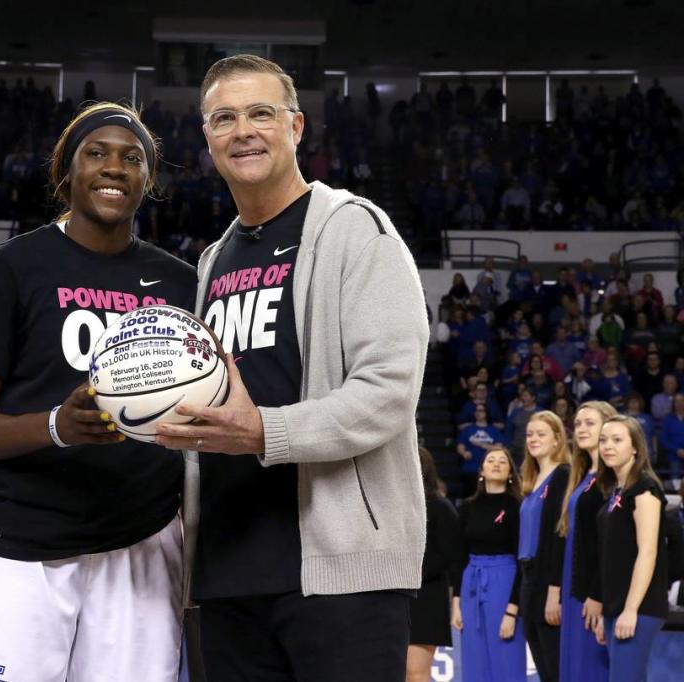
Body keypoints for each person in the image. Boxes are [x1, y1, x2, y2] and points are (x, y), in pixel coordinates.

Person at [155, 54, 429, 681]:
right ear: (207, 139)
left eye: (260, 113)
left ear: (297, 127)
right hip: (226, 572)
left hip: (341, 577)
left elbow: (387, 392)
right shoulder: (213, 261)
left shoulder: (357, 231)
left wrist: (263, 433)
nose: (242, 130)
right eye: (224, 118)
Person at [0, 102, 196, 682]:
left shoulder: (181, 283)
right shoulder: (9, 268)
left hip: (143, 543)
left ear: (147, 180)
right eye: (96, 153)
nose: (115, 168)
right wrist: (58, 425)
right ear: (67, 172)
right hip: (24, 540)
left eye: (132, 159)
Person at [595, 415, 669, 681]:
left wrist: (630, 610)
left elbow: (647, 552)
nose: (608, 446)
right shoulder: (615, 491)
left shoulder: (644, 488)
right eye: (603, 440)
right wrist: (608, 612)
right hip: (617, 606)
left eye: (617, 440)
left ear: (635, 447)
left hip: (639, 607)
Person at [452, 446, 526, 682]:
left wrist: (512, 611)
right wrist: (456, 603)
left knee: (506, 657)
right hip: (471, 583)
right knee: (473, 660)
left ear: (511, 472)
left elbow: (521, 559)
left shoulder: (517, 507)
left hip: (503, 581)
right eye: (490, 460)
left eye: (502, 461)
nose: (496, 464)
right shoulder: (467, 507)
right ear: (481, 469)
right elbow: (459, 556)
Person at [558, 401, 616, 682]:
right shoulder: (583, 477)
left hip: (592, 591)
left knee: (590, 670)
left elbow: (610, 547)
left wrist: (598, 594)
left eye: (590, 423)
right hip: (574, 586)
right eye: (578, 423)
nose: (581, 429)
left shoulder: (611, 480)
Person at [518, 411, 571, 682]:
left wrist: (554, 592)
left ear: (557, 440)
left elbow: (558, 537)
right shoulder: (530, 481)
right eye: (530, 434)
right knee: (542, 666)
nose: (533, 439)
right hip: (529, 579)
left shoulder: (563, 476)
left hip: (547, 580)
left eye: (541, 434)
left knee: (555, 666)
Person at [407, 448, 459, 682]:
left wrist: (412, 573)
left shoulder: (439, 505)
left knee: (416, 672)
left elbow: (451, 554)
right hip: (400, 597)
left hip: (427, 598)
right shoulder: (396, 506)